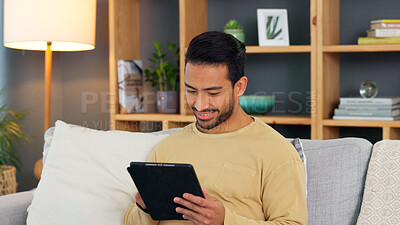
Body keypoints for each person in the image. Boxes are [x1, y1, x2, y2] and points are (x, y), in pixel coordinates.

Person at [123, 31, 307, 225]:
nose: (200, 105)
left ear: (240, 87)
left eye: (213, 93)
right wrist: (144, 208)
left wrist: (225, 221)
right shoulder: (167, 148)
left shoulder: (276, 152)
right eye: (191, 91)